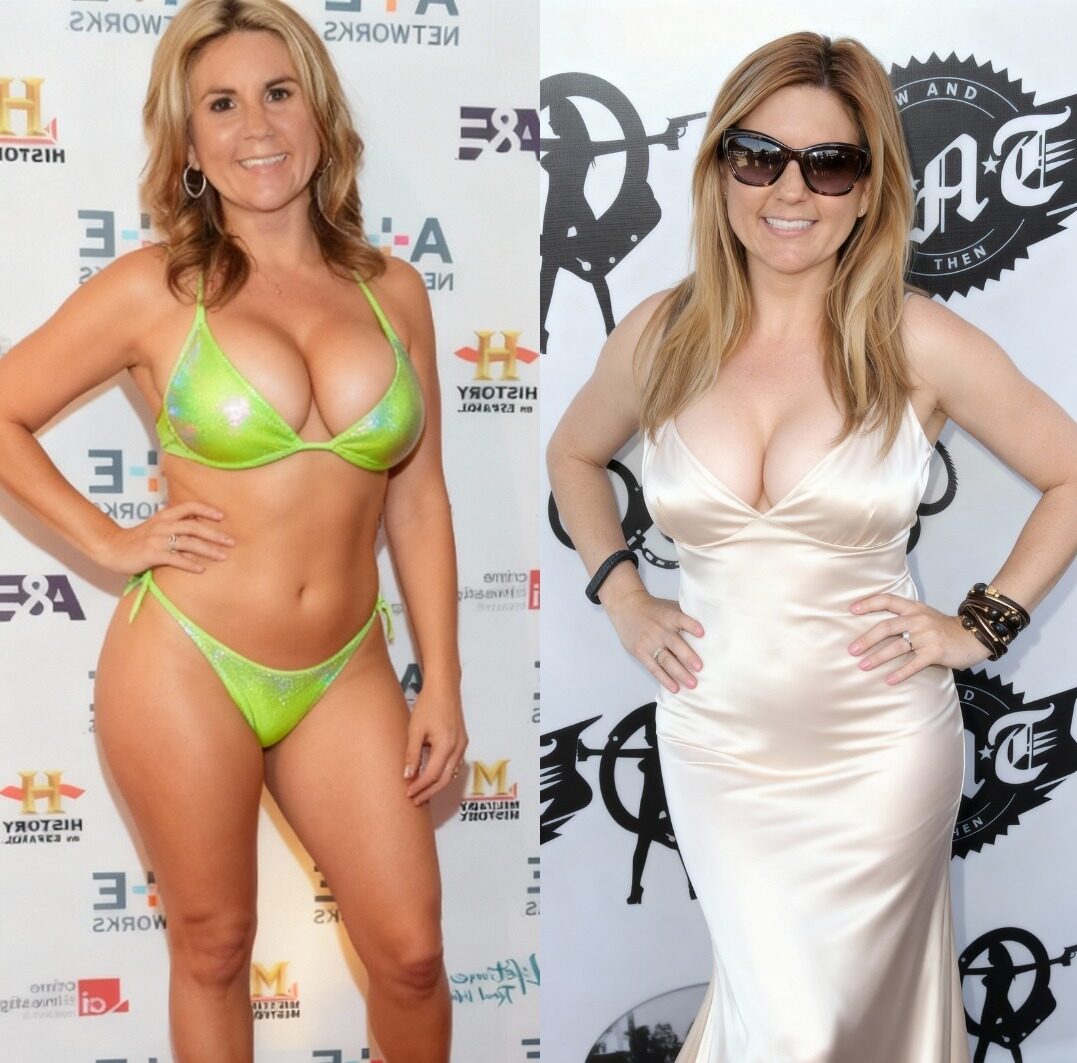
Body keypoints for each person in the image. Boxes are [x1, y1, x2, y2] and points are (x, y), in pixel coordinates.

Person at [547, 31, 1077, 1063]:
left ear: (869, 189)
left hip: (879, 751)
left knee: (820, 1031)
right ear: (720, 170)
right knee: (776, 1024)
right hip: (717, 749)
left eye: (829, 163)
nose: (790, 190)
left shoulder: (916, 340)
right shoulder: (660, 335)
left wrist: (980, 625)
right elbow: (573, 455)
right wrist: (623, 595)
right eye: (759, 156)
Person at [0, 2, 464, 1061]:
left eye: (277, 92)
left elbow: (420, 496)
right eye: (221, 104)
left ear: (320, 115)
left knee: (411, 956)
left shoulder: (393, 290)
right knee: (213, 948)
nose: (256, 126)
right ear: (190, 142)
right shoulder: (153, 289)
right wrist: (107, 540)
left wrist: (441, 679)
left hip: (346, 667)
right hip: (188, 661)